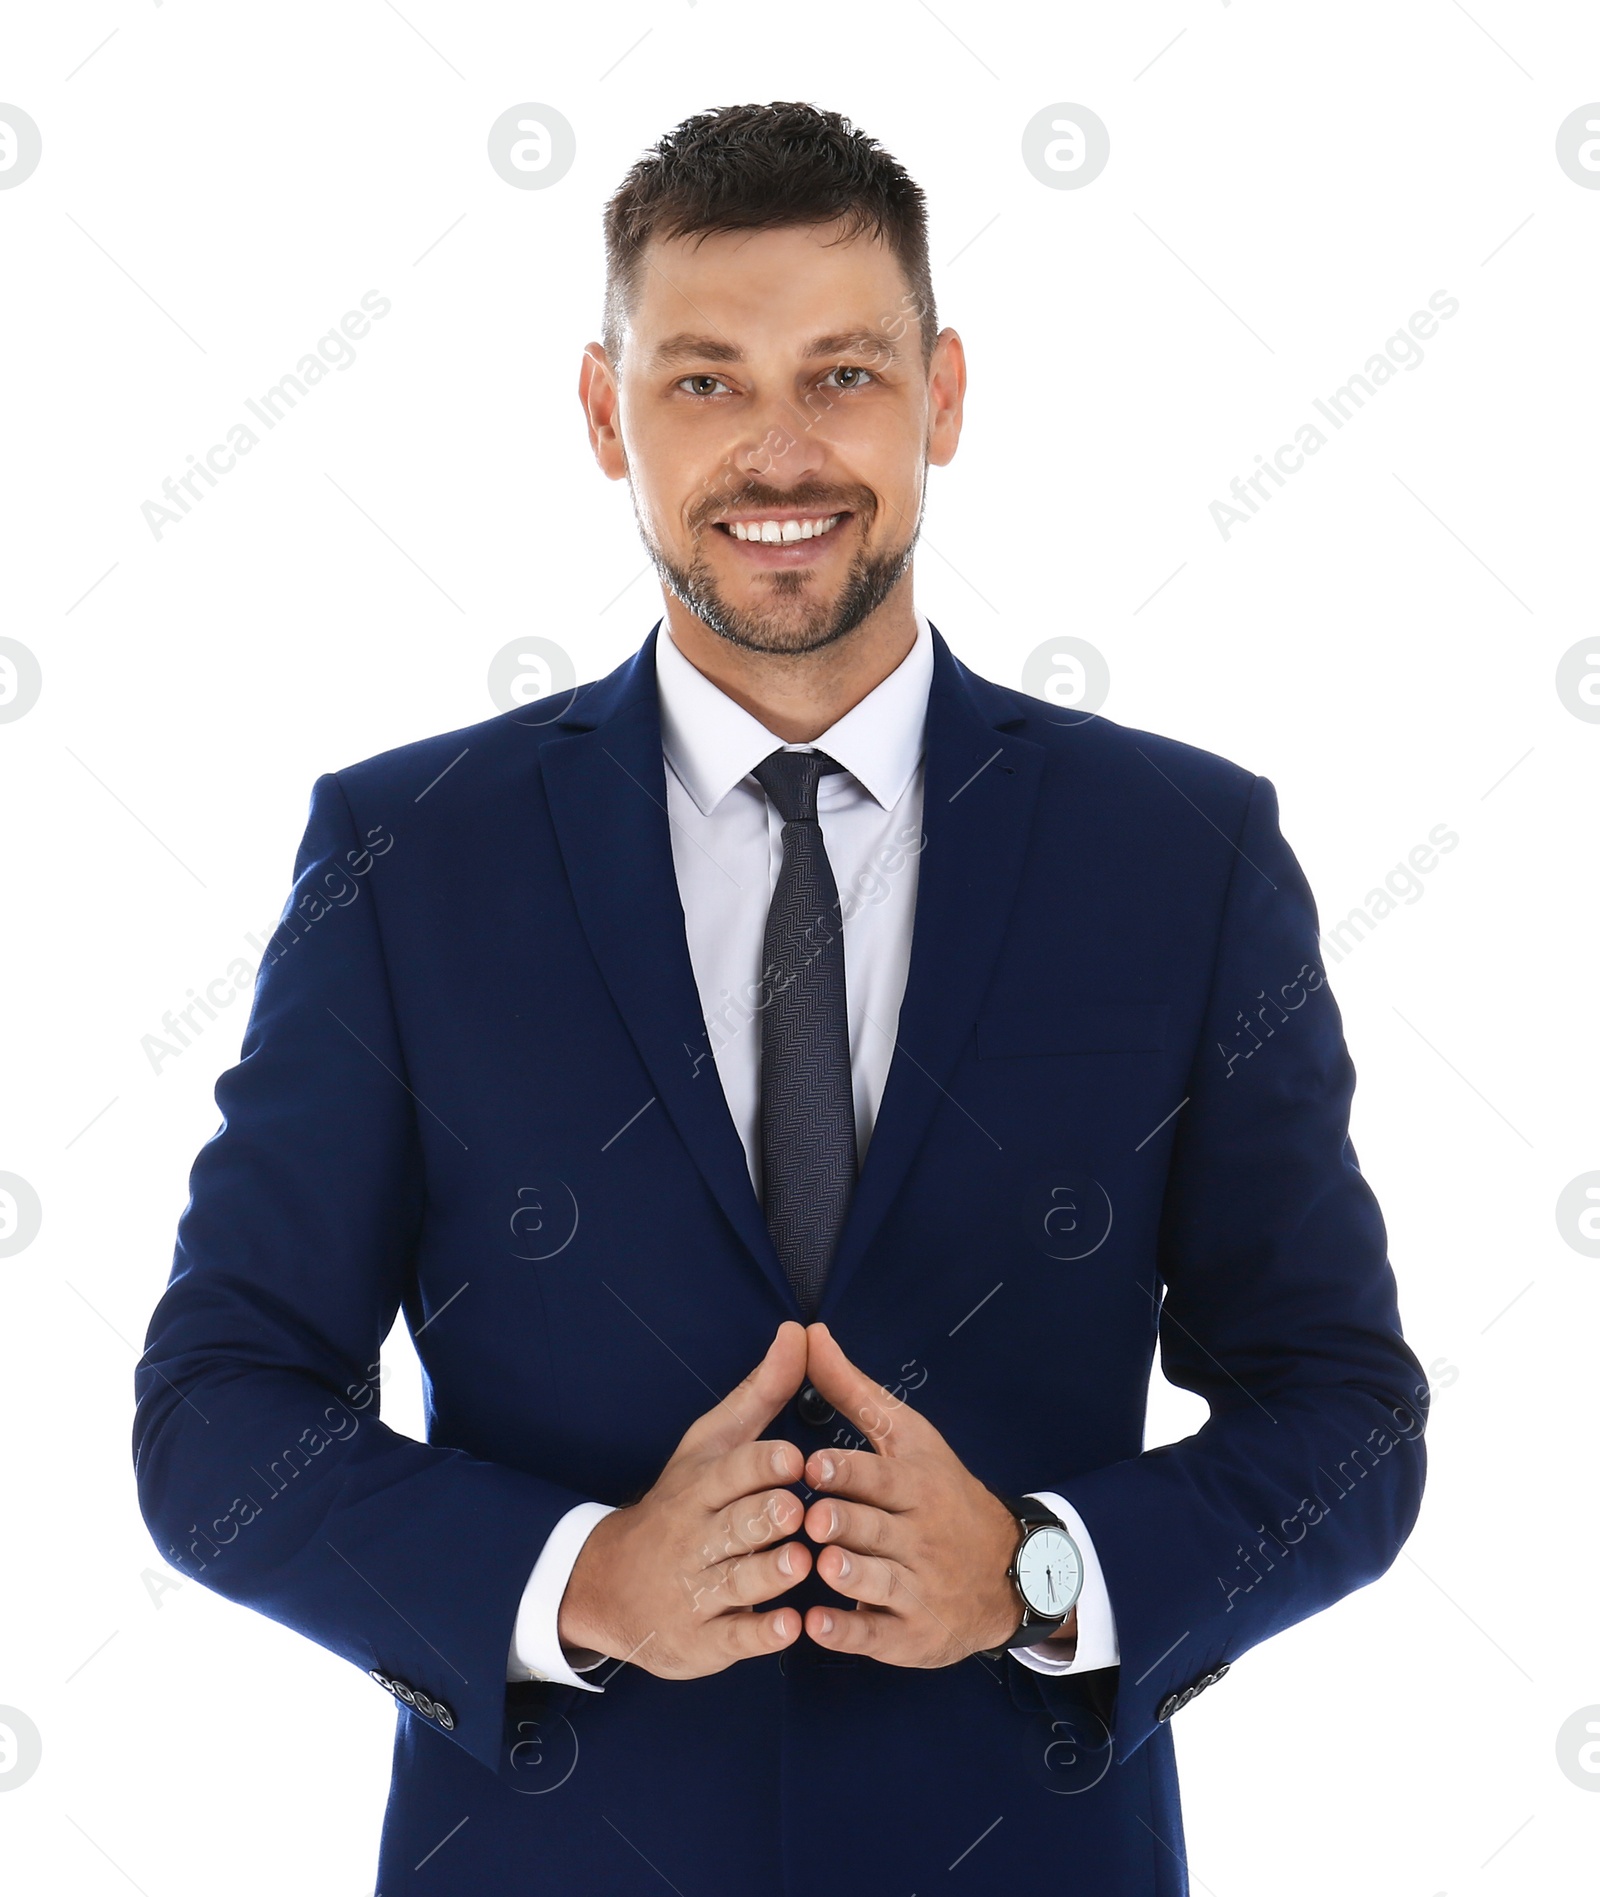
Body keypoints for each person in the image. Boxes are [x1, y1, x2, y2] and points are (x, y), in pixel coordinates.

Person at [134, 100, 1427, 1894]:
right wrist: (577, 1577)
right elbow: (217, 1413)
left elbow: (1345, 1412)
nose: (780, 451)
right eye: (705, 382)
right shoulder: (408, 855)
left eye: (841, 372)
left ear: (943, 397)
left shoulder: (1182, 851)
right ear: (607, 414)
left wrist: (1045, 1571)